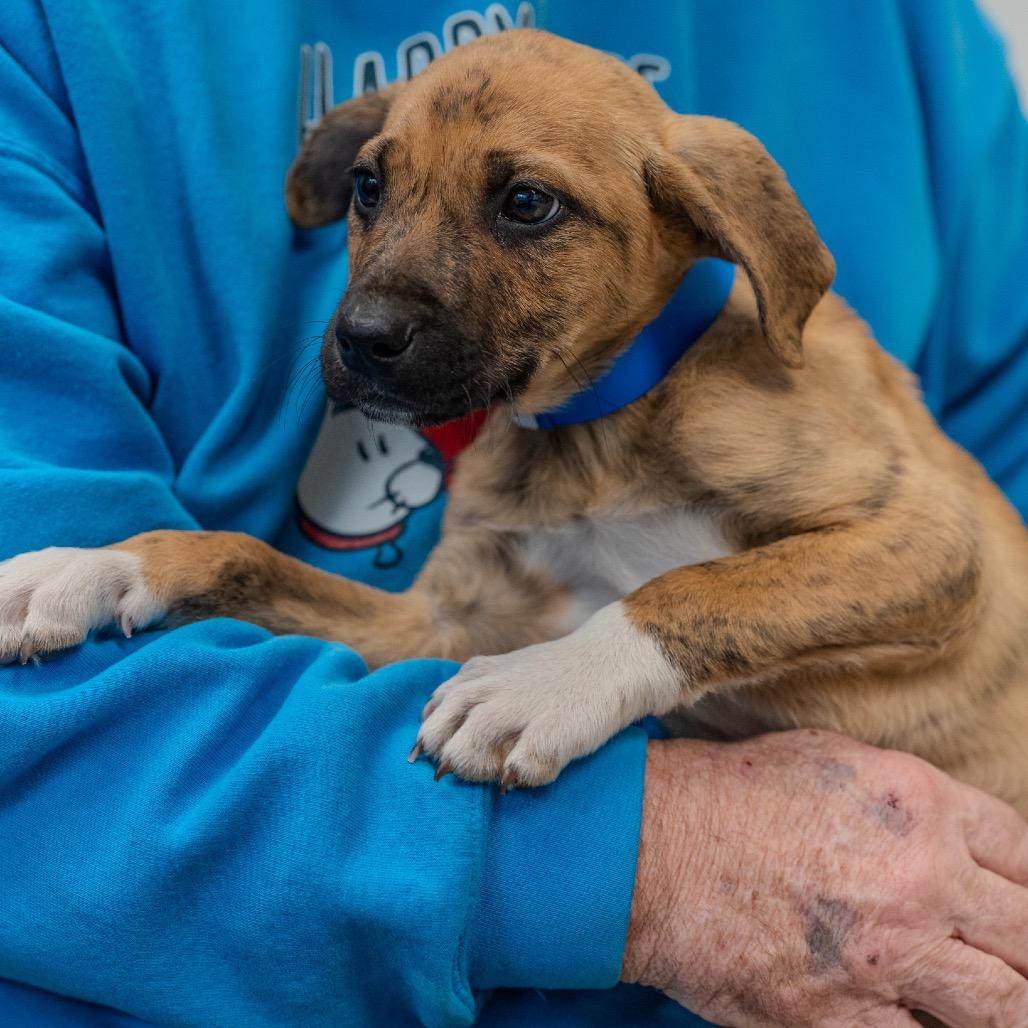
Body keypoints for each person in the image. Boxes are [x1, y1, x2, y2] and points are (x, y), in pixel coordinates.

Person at [0, 0, 1026, 1025]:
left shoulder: (886, 64)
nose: (372, 310)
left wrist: (631, 649)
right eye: (373, 189)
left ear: (709, 227)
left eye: (524, 208)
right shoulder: (515, 453)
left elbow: (929, 557)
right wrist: (189, 569)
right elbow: (432, 642)